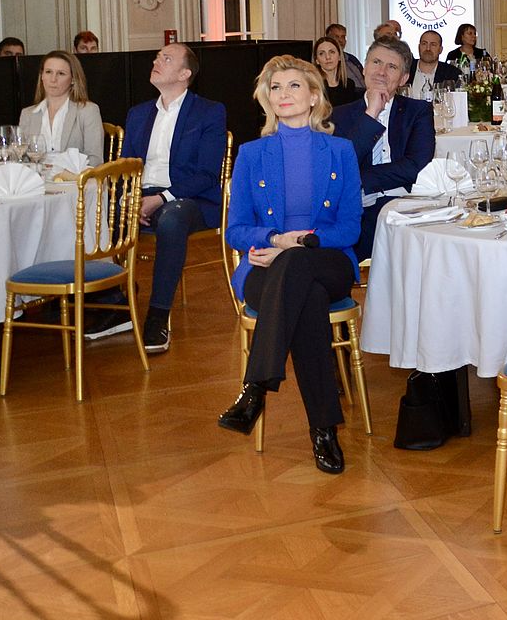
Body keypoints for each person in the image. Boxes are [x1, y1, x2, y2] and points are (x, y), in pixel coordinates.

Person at [217, 55, 363, 476]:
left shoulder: (340, 151)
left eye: (294, 85)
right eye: (275, 87)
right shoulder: (251, 154)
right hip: (265, 265)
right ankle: (324, 430)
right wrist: (274, 240)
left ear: (314, 96)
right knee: (306, 296)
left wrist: (295, 243)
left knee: (298, 268)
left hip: (328, 258)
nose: (283, 94)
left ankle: (255, 388)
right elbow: (236, 230)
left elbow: (349, 227)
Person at [111, 43, 228, 354]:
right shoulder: (138, 114)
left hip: (190, 197)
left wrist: (162, 198)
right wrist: (128, 200)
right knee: (93, 211)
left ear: (184, 73)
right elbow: (126, 167)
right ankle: (112, 302)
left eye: (166, 58)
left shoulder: (209, 112)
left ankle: (158, 315)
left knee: (172, 219)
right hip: (142, 194)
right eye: (156, 57)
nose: (156, 61)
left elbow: (206, 174)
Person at [331, 35, 436, 260]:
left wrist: (362, 181)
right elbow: (343, 164)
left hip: (405, 204)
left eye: (392, 67)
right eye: (376, 62)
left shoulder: (418, 111)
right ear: (364, 68)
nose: (381, 72)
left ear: (403, 78)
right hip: (358, 209)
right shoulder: (339, 115)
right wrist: (371, 114)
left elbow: (416, 166)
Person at [18, 51, 105, 163]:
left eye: (61, 73)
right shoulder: (27, 114)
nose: (53, 79)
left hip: (74, 174)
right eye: (48, 72)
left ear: (73, 79)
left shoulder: (88, 111)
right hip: (36, 174)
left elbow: (95, 160)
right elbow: (21, 158)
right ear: (42, 76)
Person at [407, 29, 463, 98]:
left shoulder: (452, 74)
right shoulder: (405, 69)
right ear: (419, 47)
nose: (428, 48)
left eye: (433, 45)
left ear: (440, 49)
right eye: (424, 44)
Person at [313, 35, 363, 107]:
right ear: (317, 60)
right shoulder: (314, 86)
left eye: (332, 52)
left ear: (339, 56)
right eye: (321, 53)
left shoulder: (349, 84)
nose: (328, 57)